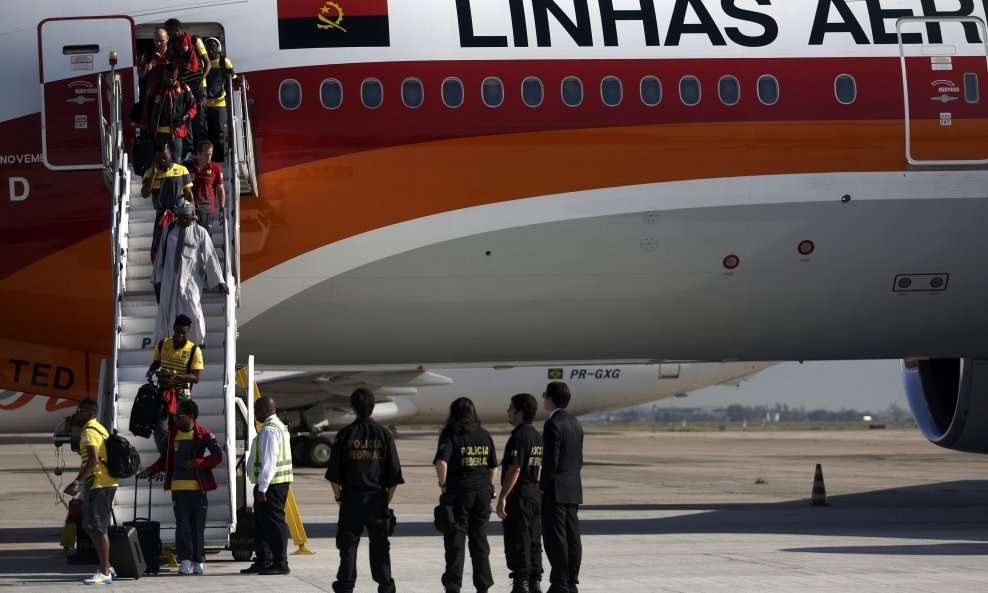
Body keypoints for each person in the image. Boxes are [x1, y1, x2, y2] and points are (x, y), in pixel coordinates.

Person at [324, 388, 404, 593]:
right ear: (373, 406)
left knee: (348, 548)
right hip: (377, 500)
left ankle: (346, 585)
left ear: (353, 407)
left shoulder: (344, 435)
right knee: (380, 547)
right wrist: (386, 501)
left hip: (351, 500)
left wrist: (339, 498)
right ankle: (385, 584)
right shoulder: (384, 435)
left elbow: (334, 475)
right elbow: (393, 477)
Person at [138, 399, 222, 575]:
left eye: (180, 416)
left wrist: (196, 463)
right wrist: (150, 471)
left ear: (191, 417)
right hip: (179, 490)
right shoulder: (172, 435)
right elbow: (164, 459)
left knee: (198, 526)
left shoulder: (205, 435)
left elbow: (216, 458)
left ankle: (198, 560)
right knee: (182, 525)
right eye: (176, 415)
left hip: (199, 490)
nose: (176, 418)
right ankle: (185, 559)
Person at [434, 397, 498, 593]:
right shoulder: (484, 434)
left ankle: (453, 586)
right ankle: (483, 586)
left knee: (456, 542)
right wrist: (488, 484)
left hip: (459, 493)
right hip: (482, 493)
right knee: (479, 541)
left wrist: (443, 484)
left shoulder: (450, 434)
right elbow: (493, 466)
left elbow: (441, 462)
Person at [151, 200, 229, 346]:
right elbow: (161, 253)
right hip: (169, 278)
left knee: (193, 307)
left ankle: (198, 341)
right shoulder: (169, 230)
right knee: (165, 310)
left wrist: (220, 281)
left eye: (185, 218)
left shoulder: (200, 232)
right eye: (179, 218)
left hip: (191, 280)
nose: (181, 221)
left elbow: (210, 256)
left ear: (192, 218)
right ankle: (162, 342)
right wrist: (158, 277)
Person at [63, 399, 119, 585]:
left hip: (98, 482)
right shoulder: (100, 428)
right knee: (93, 527)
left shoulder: (88, 431)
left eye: (79, 410)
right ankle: (107, 566)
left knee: (98, 528)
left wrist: (77, 482)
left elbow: (93, 461)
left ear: (88, 412)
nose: (76, 413)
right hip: (103, 482)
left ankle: (104, 572)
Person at [496, 393, 545, 593]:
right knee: (534, 538)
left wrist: (503, 497)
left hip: (521, 493)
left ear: (520, 412)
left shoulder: (518, 437)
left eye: (511, 407)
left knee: (518, 538)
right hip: (534, 492)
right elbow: (539, 466)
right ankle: (535, 580)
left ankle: (521, 582)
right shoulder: (536, 436)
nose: (508, 411)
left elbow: (515, 468)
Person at [539, 382, 584, 593]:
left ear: (550, 398)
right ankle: (572, 581)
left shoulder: (552, 424)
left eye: (544, 396)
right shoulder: (575, 423)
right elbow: (578, 458)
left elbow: (550, 461)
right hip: (573, 487)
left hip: (555, 489)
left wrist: (542, 487)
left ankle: (559, 583)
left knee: (555, 538)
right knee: (572, 536)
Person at [242, 396, 293, 576]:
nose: (255, 413)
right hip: (272, 484)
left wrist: (263, 488)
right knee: (262, 525)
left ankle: (280, 563)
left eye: (256, 410)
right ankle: (264, 561)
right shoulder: (276, 427)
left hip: (272, 485)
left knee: (274, 524)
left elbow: (269, 461)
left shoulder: (270, 430)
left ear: (266, 410)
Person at [145, 313, 204, 455]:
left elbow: (195, 378)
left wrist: (173, 375)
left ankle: (179, 455)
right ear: (173, 328)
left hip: (181, 396)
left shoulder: (194, 350)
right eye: (177, 332)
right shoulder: (162, 344)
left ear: (188, 331)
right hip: (164, 392)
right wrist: (150, 372)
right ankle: (166, 457)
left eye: (183, 333)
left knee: (178, 427)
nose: (180, 336)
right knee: (159, 427)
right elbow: (157, 362)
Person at [141, 142, 194, 274]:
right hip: (161, 218)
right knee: (160, 248)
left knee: (181, 248)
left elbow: (189, 195)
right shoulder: (149, 173)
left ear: (171, 154)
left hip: (179, 216)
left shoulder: (182, 170)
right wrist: (153, 174)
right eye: (159, 157)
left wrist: (192, 216)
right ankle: (163, 274)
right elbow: (144, 194)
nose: (162, 160)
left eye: (164, 157)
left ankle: (181, 273)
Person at [165, 19, 210, 147]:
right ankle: (189, 152)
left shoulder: (195, 41)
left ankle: (203, 150)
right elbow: (171, 65)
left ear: (177, 29)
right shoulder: (172, 46)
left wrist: (202, 79)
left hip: (198, 87)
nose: (169, 34)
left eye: (170, 31)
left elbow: (208, 63)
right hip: (184, 89)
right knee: (186, 120)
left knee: (200, 120)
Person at [143, 62, 198, 161]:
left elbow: (193, 107)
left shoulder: (183, 88)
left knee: (176, 163)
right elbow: (147, 108)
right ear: (164, 74)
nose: (170, 79)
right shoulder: (155, 88)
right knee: (159, 163)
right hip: (158, 135)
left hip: (176, 134)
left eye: (173, 77)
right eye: (168, 76)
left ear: (177, 75)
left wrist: (187, 115)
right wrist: (145, 124)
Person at [203, 38, 237, 161]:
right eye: (208, 48)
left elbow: (234, 78)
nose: (210, 50)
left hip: (219, 104)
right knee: (206, 134)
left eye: (213, 47)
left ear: (218, 48)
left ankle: (218, 160)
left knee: (219, 134)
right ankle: (207, 159)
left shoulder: (224, 62)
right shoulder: (203, 62)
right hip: (204, 104)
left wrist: (243, 81)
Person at [183, 140, 225, 232]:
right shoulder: (188, 166)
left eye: (211, 154)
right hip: (189, 208)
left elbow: (220, 189)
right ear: (198, 154)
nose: (209, 157)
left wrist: (222, 208)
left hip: (206, 209)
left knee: (205, 240)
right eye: (206, 155)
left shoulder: (216, 168)